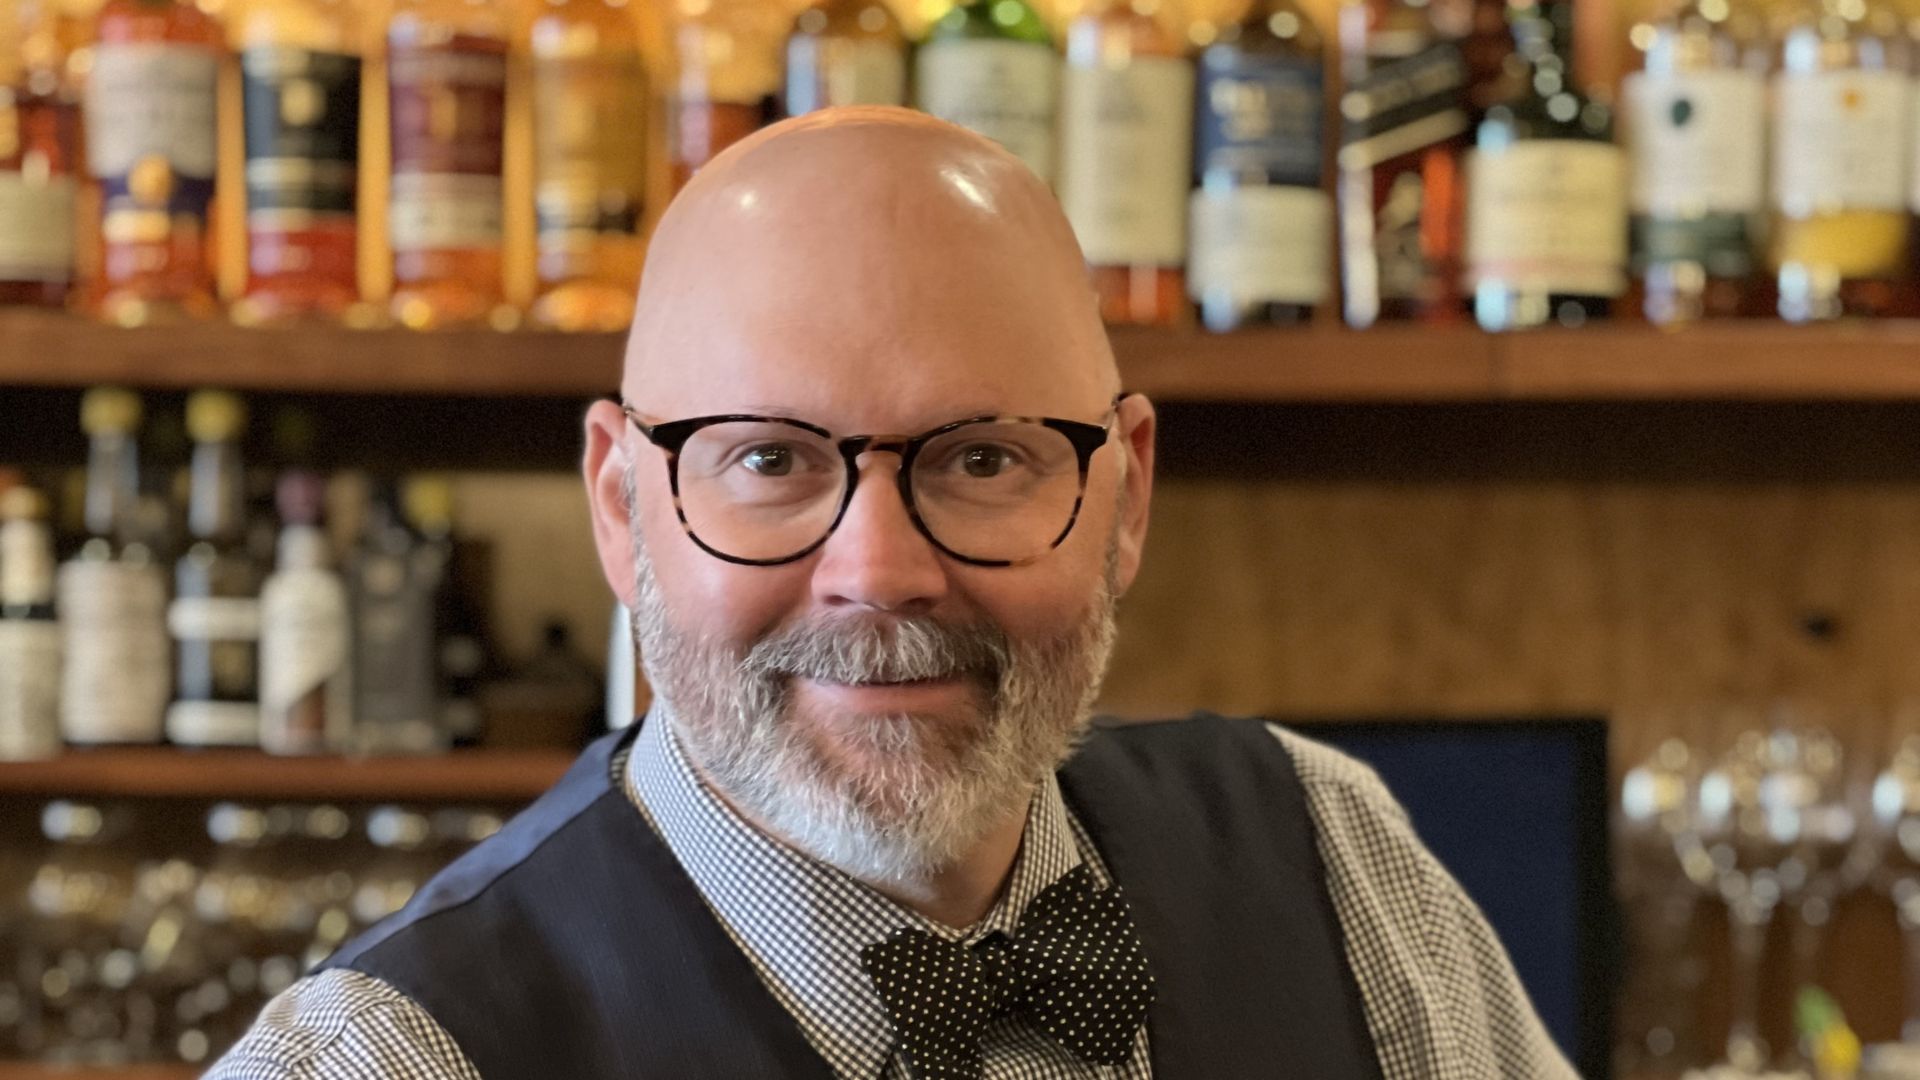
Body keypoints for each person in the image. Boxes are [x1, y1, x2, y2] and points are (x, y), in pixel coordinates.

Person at [208, 107, 1577, 1080]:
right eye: (770, 462)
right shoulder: (385, 1063)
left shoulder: (1333, 864)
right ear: (623, 510)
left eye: (983, 458)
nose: (878, 573)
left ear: (1125, 497)